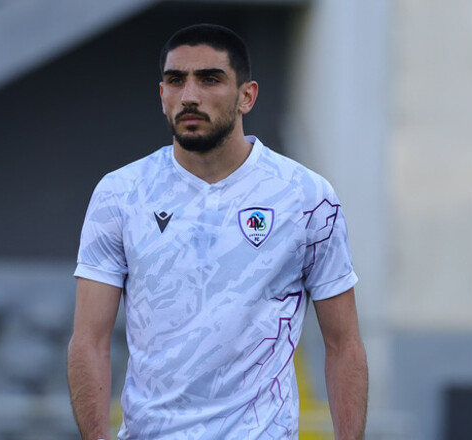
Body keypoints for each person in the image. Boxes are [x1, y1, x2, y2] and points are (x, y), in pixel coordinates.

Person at [67, 23, 368, 440]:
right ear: (162, 95)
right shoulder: (120, 194)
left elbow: (343, 343)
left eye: (210, 79)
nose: (189, 95)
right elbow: (89, 340)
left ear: (247, 96)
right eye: (176, 80)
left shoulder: (306, 196)